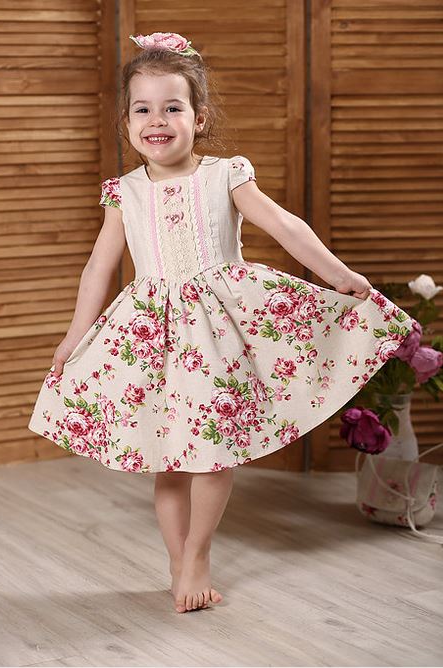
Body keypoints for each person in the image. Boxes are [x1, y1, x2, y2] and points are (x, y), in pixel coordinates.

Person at [28, 31, 415, 614]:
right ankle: (176, 561)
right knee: (169, 459)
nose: (157, 121)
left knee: (212, 451)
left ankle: (197, 556)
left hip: (218, 330)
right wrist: (72, 337)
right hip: (152, 336)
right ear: (126, 122)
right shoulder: (124, 193)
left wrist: (339, 275)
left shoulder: (225, 175)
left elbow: (285, 226)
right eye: (142, 110)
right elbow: (97, 270)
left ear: (199, 117)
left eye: (173, 107)